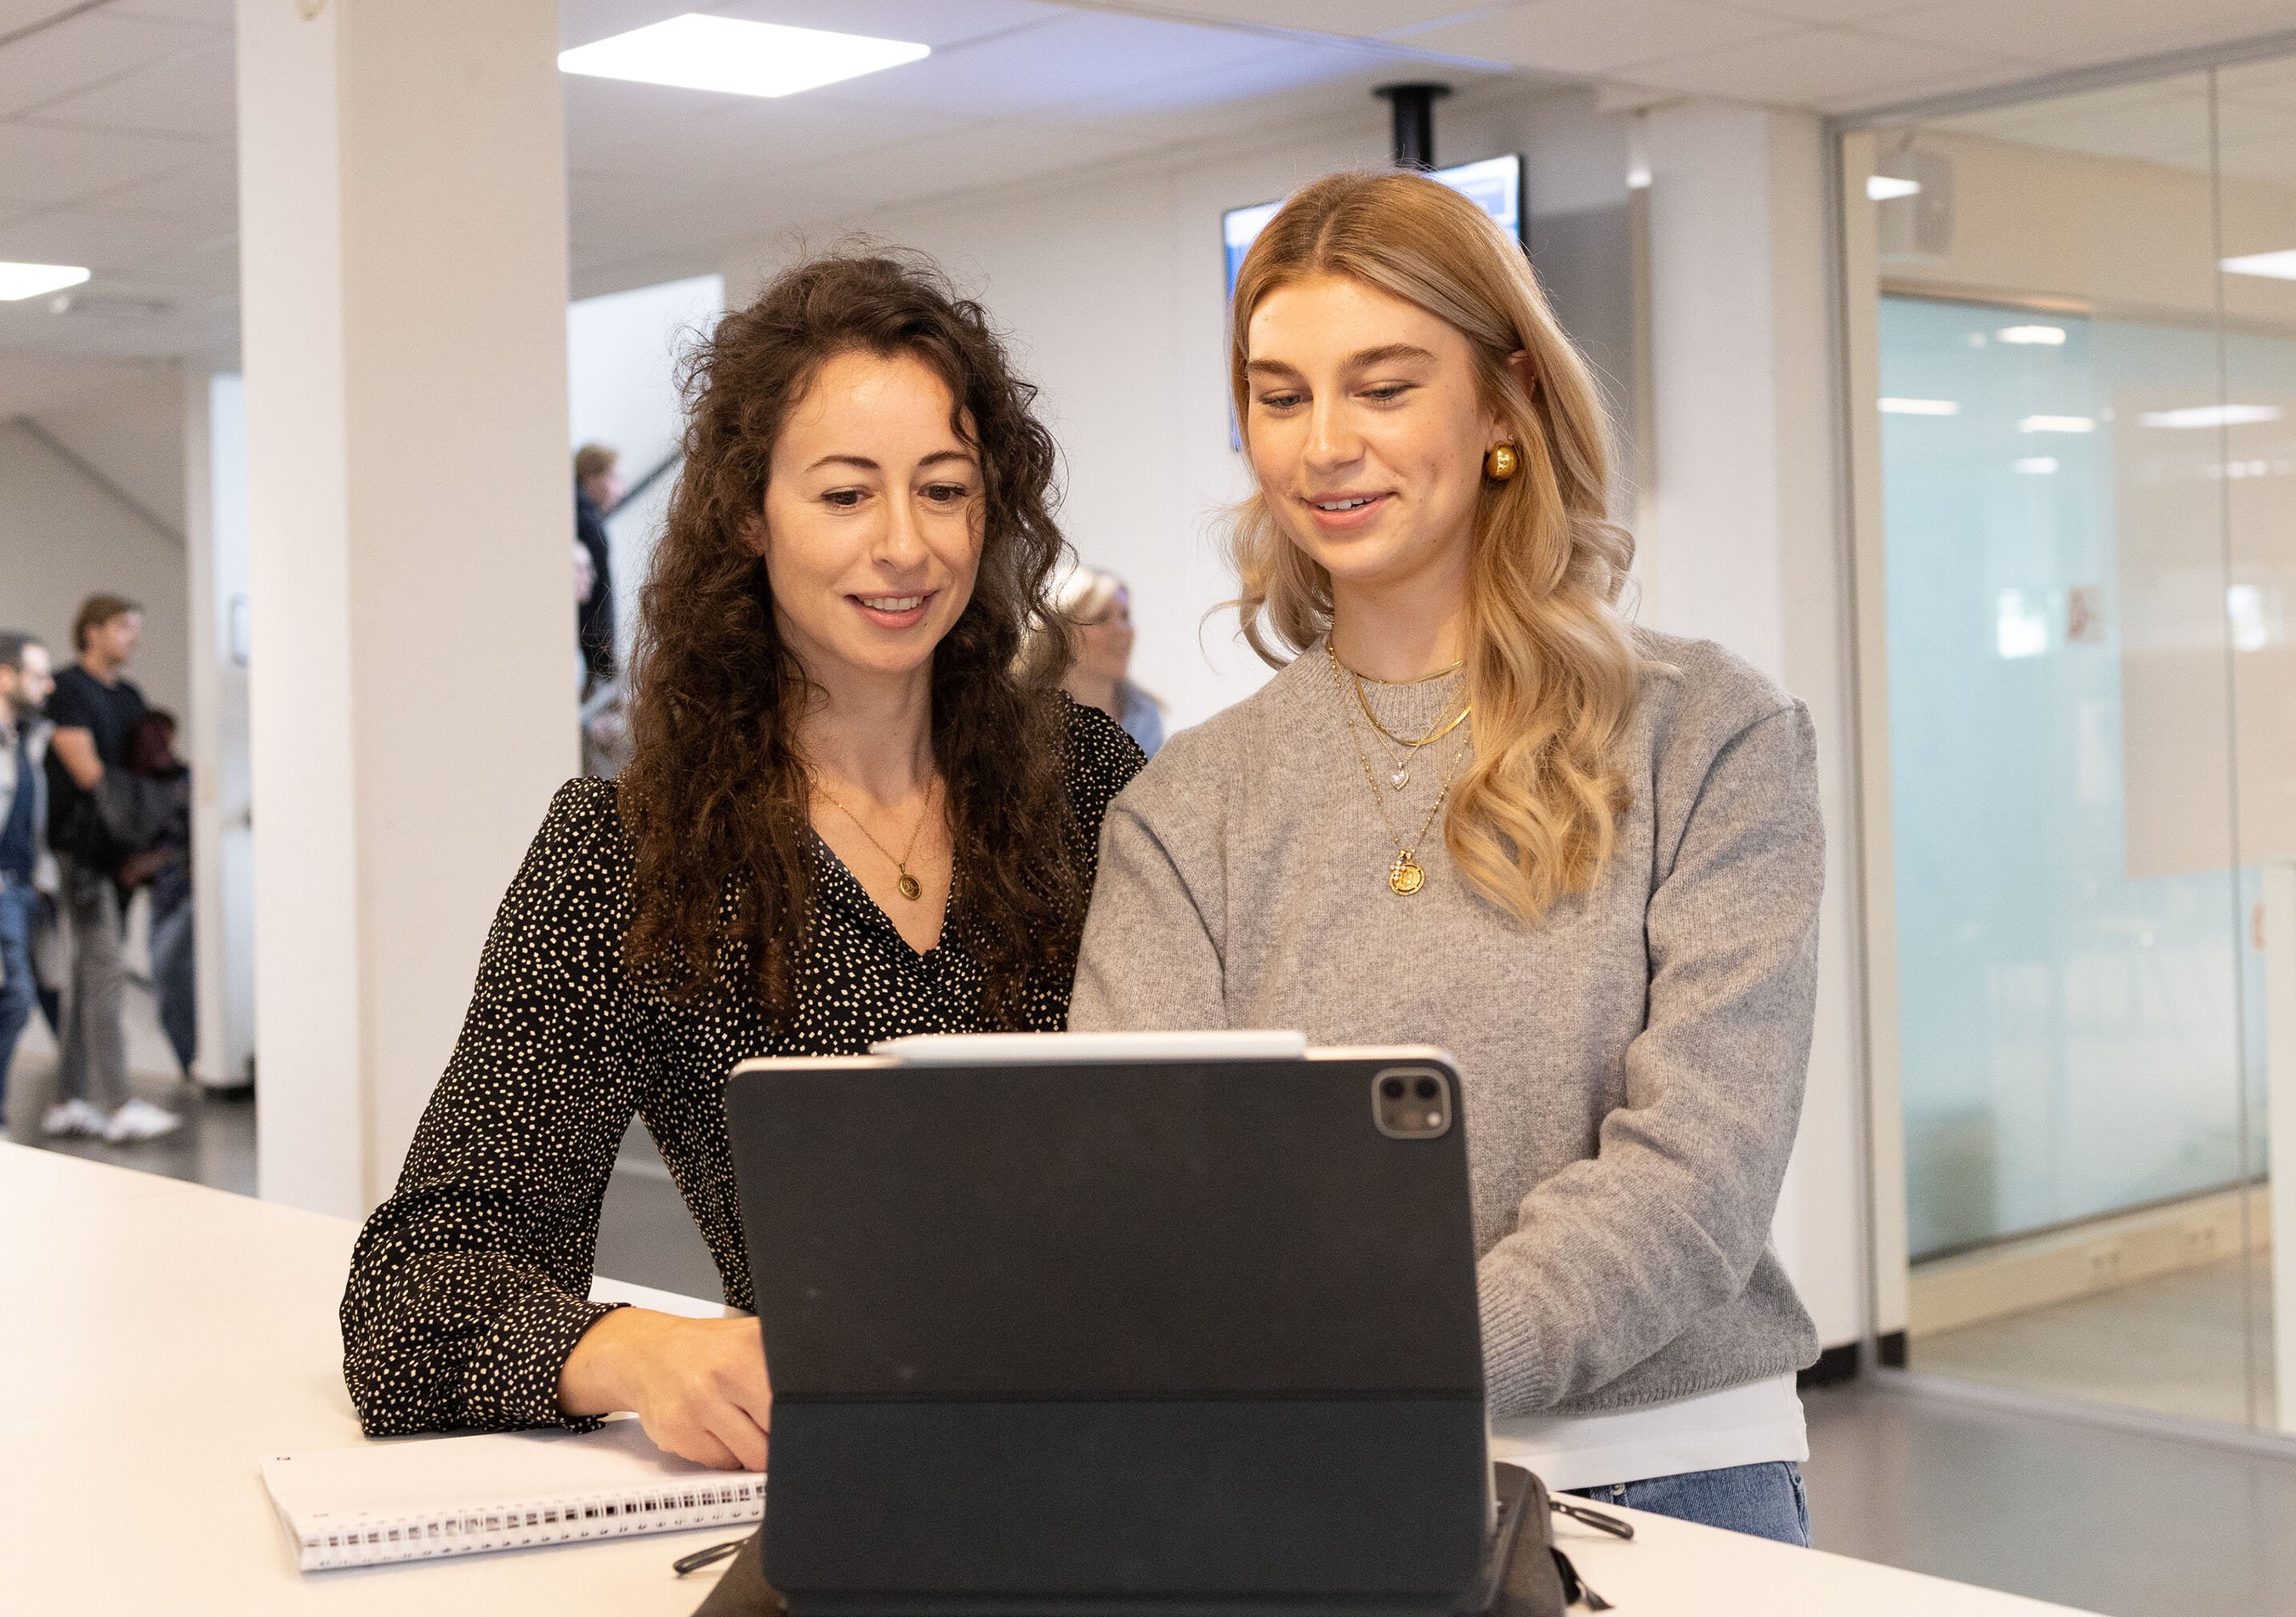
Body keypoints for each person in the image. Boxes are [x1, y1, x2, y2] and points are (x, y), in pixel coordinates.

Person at [1069, 172, 1825, 1546]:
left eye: (1385, 384)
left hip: (1667, 1482)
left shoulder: (1707, 732)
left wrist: (1393, 1365)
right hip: (1305, 1476)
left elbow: (1697, 1171)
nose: (1324, 445)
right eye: (1281, 394)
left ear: (1505, 402)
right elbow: (1151, 1189)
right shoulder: (1190, 805)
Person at [344, 252, 1146, 1469]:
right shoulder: (627, 857)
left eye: (945, 489)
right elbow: (414, 1296)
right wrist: (633, 1349)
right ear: (743, 513)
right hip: (853, 1479)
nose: (905, 546)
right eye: (843, 496)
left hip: (1142, 1442)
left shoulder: (1089, 788)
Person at [42, 595, 180, 1144]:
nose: (134, 638)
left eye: (137, 629)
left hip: (120, 856)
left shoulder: (129, 697)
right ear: (92, 631)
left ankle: (67, 1099)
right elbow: (85, 771)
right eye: (124, 627)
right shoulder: (67, 690)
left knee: (87, 976)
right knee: (105, 970)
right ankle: (119, 1102)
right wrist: (138, 807)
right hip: (82, 854)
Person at [115, 710, 195, 1077]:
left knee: (166, 973)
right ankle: (187, 1062)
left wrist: (152, 862)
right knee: (161, 979)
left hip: (184, 894)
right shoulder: (136, 784)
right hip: (158, 897)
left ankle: (191, 1061)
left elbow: (191, 840)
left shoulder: (183, 781)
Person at [0, 630, 58, 1135]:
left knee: (26, 994)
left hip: (24, 886)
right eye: (38, 674)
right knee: (15, 996)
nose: (49, 683)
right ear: (5, 676)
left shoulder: (27, 738)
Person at [1050, 565, 1165, 757]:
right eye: (1101, 618)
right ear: (1062, 634)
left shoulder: (1146, 714)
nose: (1122, 630)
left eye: (1125, 616)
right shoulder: (1029, 714)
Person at [575, 441, 622, 694]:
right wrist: (608, 667)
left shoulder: (575, 516)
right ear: (592, 478)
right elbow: (598, 603)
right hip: (592, 652)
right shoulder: (589, 525)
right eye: (614, 478)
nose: (620, 490)